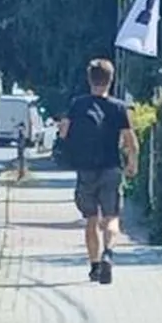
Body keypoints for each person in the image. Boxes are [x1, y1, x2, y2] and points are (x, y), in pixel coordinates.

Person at [56, 58, 137, 284]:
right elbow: (131, 141)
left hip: (85, 170)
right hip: (111, 167)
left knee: (91, 220)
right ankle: (108, 254)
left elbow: (64, 133)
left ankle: (94, 267)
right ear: (111, 80)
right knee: (111, 218)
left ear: (89, 79)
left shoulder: (77, 104)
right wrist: (132, 163)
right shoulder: (119, 107)